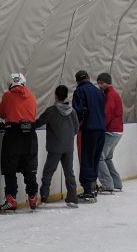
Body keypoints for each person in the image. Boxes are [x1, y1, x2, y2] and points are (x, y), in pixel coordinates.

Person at [0, 73, 39, 212]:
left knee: (9, 167)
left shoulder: (8, 95)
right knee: (29, 167)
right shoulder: (32, 96)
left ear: (10, 84)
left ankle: (11, 199)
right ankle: (33, 197)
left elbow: (0, 112)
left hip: (13, 136)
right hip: (30, 136)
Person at [34, 85, 80, 207]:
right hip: (68, 147)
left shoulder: (51, 111)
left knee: (48, 173)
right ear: (66, 96)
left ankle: (44, 197)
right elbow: (76, 128)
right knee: (69, 173)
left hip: (55, 147)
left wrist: (26, 125)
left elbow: (38, 123)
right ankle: (73, 198)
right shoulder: (73, 111)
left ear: (55, 96)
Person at [71, 70, 107, 202]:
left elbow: (77, 112)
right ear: (88, 77)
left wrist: (76, 126)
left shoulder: (79, 91)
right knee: (95, 159)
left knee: (86, 158)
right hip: (101, 129)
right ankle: (93, 186)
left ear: (77, 81)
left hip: (88, 129)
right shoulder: (99, 92)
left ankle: (88, 190)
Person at [95, 72, 124, 192]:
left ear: (107, 82)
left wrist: (99, 127)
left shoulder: (110, 95)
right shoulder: (112, 94)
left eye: (101, 83)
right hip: (117, 131)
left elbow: (107, 114)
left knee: (99, 157)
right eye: (98, 83)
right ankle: (117, 183)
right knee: (107, 158)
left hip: (111, 131)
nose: (99, 85)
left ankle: (107, 185)